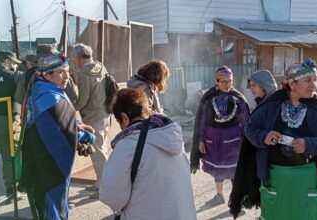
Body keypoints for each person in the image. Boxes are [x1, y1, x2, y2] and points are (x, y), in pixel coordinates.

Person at [242, 58, 317, 220]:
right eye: (308, 80)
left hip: (309, 178)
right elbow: (250, 128)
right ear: (292, 84)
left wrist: (308, 144)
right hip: (276, 178)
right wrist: (264, 136)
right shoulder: (272, 104)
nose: (313, 85)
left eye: (315, 80)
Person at [99, 88, 196, 220]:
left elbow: (112, 196)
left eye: (119, 122)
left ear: (124, 118)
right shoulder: (170, 134)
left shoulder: (127, 145)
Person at [22, 52, 94, 219]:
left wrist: (77, 125)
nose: (67, 76)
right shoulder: (48, 96)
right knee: (52, 208)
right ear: (47, 74)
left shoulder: (49, 88)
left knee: (56, 205)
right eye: (61, 72)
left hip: (49, 158)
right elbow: (61, 127)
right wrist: (86, 137)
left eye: (68, 71)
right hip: (48, 163)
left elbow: (61, 119)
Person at [190, 66, 250, 206]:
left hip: (234, 142)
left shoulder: (238, 98)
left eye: (230, 81)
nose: (227, 84)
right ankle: (219, 195)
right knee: (218, 169)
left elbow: (246, 120)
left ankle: (237, 200)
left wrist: (246, 142)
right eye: (223, 81)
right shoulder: (208, 98)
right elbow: (202, 121)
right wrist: (200, 141)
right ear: (216, 81)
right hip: (214, 141)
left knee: (235, 170)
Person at [229, 69, 277, 217]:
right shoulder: (262, 102)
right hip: (262, 155)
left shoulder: (276, 102)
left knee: (273, 194)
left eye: (254, 85)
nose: (251, 89)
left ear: (264, 85)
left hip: (273, 160)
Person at [72, 43, 110, 198]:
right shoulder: (101, 67)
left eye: (75, 57)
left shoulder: (85, 75)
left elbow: (82, 100)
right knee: (102, 149)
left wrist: (68, 108)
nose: (74, 60)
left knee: (98, 152)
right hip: (105, 114)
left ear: (80, 57)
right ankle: (101, 182)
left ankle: (104, 187)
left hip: (93, 117)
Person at [0, 50, 24, 204]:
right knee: (9, 157)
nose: (15, 65)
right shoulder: (13, 76)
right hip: (7, 122)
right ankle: (12, 191)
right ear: (7, 61)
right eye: (14, 63)